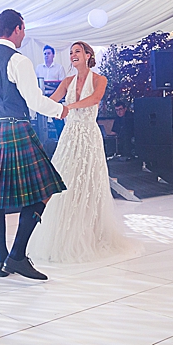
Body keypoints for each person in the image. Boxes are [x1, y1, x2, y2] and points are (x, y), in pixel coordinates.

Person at [0, 9, 68, 280]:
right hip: (17, 130)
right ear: (18, 29)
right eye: (23, 29)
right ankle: (17, 256)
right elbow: (35, 101)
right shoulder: (19, 61)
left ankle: (3, 261)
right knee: (44, 191)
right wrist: (61, 111)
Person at [29, 42, 136, 262]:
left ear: (88, 55)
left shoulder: (99, 79)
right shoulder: (66, 81)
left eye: (77, 51)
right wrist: (32, 102)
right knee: (65, 182)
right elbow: (51, 101)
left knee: (89, 182)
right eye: (70, 53)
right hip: (69, 136)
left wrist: (69, 108)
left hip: (89, 135)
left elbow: (95, 99)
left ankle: (92, 234)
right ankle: (64, 234)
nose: (73, 55)